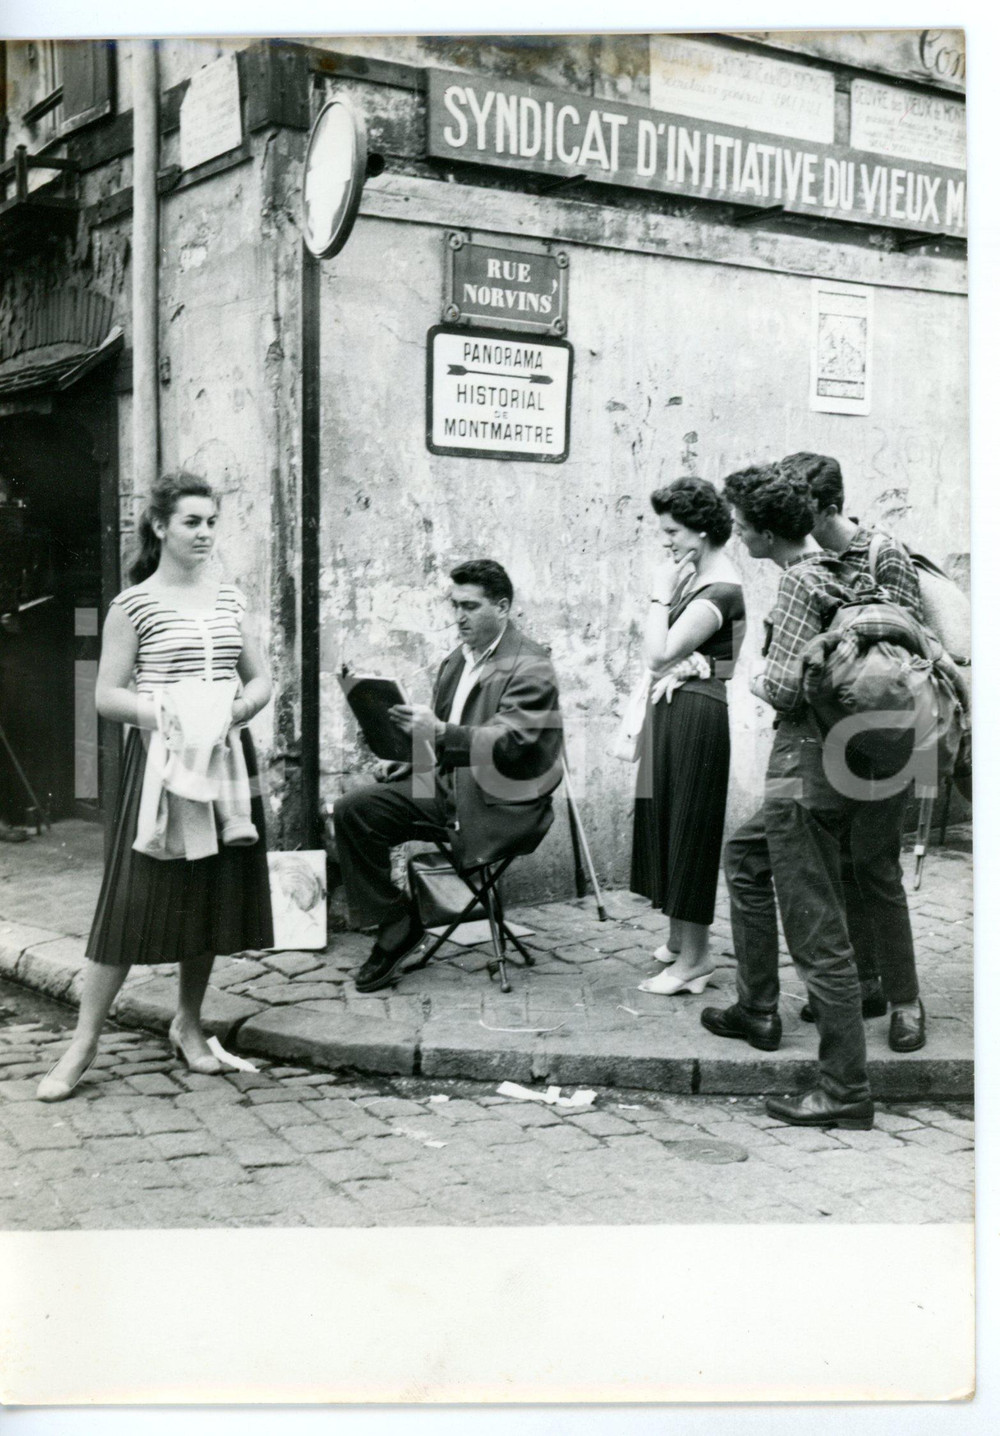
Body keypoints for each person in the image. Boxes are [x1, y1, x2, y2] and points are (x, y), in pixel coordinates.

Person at [36, 473, 274, 1102]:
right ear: (160, 527)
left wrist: (240, 708)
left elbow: (259, 679)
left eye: (211, 522)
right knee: (132, 901)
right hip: (161, 765)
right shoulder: (132, 605)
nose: (203, 533)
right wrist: (164, 714)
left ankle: (189, 1026)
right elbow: (107, 694)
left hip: (223, 760)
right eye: (191, 521)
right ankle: (84, 1041)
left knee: (210, 892)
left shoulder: (228, 599)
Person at [700, 465, 875, 1129]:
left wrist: (749, 673)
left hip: (800, 766)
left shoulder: (800, 582)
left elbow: (786, 688)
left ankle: (845, 1090)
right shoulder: (831, 568)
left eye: (742, 524)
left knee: (816, 928)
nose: (736, 531)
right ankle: (757, 1007)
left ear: (767, 532)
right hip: (830, 761)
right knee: (744, 858)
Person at [333, 559, 562, 994]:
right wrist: (411, 758)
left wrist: (438, 734)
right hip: (445, 785)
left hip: (502, 800)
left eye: (471, 606)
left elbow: (511, 742)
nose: (459, 617)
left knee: (374, 808)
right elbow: (438, 735)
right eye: (454, 605)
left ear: (502, 606)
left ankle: (399, 932)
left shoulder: (530, 664)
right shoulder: (455, 661)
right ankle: (398, 920)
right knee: (353, 812)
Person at [777, 451, 925, 1052]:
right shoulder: (806, 561)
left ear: (825, 505)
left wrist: (841, 629)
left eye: (799, 506)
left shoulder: (882, 550)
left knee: (876, 866)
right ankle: (862, 982)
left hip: (888, 734)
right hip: (832, 733)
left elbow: (910, 627)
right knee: (840, 865)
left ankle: (907, 1001)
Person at [629, 478, 745, 996]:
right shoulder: (700, 578)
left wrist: (658, 593)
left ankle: (696, 959)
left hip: (697, 713)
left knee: (689, 832)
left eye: (672, 531)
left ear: (701, 531)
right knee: (666, 820)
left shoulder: (718, 590)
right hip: (676, 707)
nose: (666, 541)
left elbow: (659, 653)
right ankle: (679, 940)